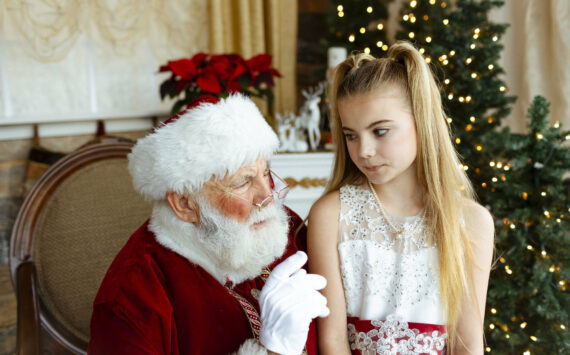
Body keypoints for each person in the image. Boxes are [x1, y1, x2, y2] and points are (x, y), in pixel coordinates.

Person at [88, 94, 329, 355]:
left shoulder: (282, 225)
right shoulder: (133, 293)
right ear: (185, 204)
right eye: (243, 182)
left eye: (266, 174)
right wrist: (273, 351)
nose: (267, 196)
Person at [307, 41, 494, 354]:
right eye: (351, 135)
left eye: (380, 131)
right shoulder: (332, 214)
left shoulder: (471, 222)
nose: (363, 150)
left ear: (421, 122)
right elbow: (333, 340)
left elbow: (467, 343)